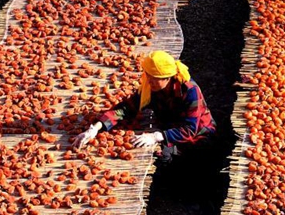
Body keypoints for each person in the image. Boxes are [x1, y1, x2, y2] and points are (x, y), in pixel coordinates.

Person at [74, 50, 216, 163]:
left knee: (169, 156)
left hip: (199, 134)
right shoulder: (151, 88)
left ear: (167, 77)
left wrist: (157, 136)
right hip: (169, 126)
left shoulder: (190, 91)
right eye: (148, 76)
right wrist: (96, 128)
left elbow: (190, 129)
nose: (149, 81)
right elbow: (126, 109)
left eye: (154, 78)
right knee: (161, 153)